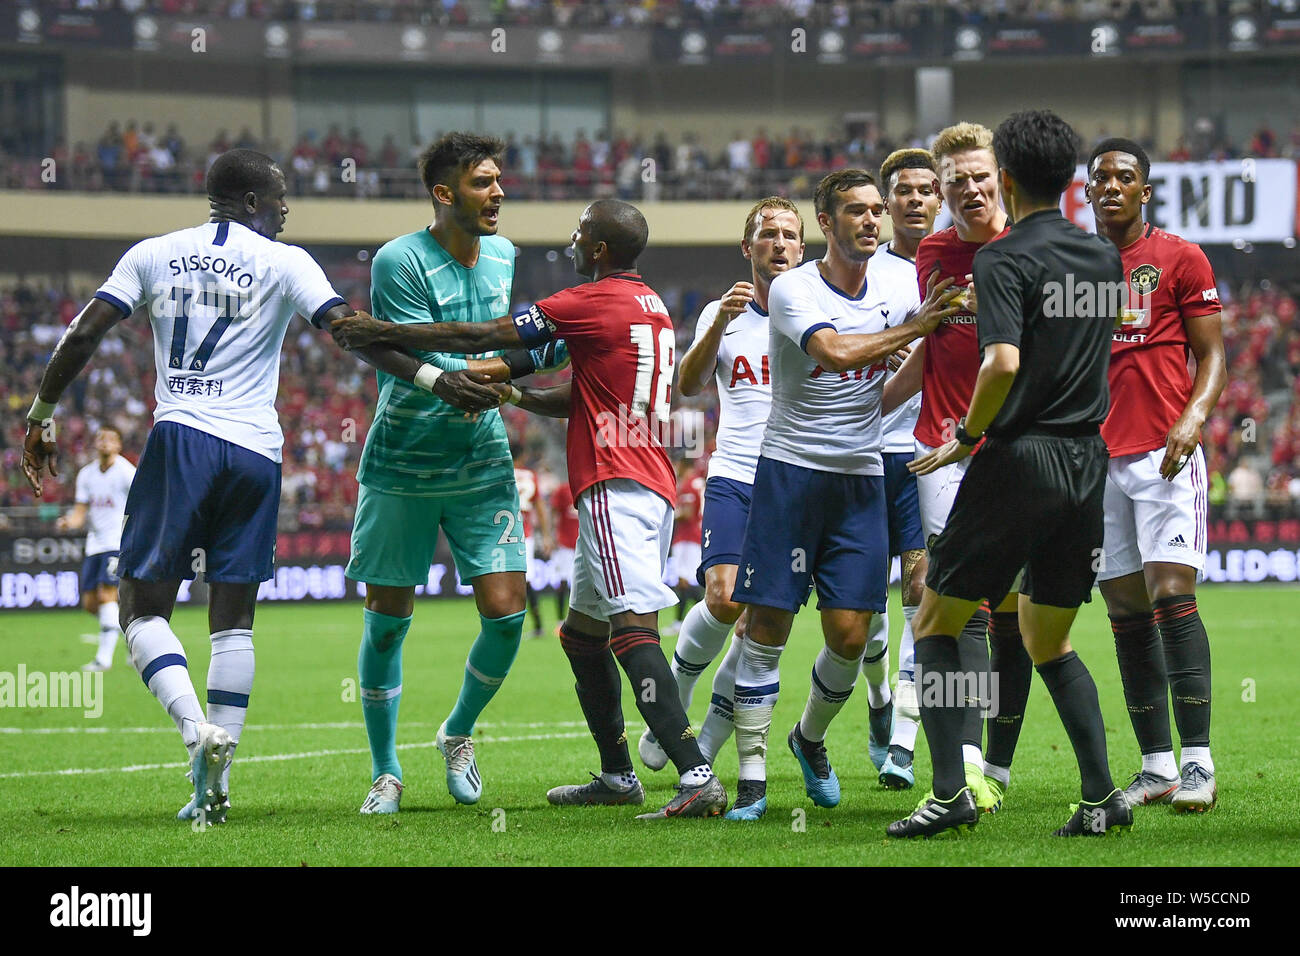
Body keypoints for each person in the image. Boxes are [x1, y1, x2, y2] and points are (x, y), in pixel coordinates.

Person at [20, 148, 436, 825]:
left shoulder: (153, 253)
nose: (284, 212)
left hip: (182, 437)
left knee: (143, 608)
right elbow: (349, 334)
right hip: (256, 453)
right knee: (233, 620)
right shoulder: (287, 261)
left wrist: (41, 414)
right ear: (249, 203)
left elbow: (86, 330)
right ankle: (215, 782)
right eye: (278, 201)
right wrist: (432, 377)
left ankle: (195, 734)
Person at [332, 199, 729, 820]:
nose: (571, 241)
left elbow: (482, 335)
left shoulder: (589, 300)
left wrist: (386, 331)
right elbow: (582, 393)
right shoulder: (646, 305)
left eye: (579, 233)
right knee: (581, 636)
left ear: (597, 248)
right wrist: (515, 392)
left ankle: (696, 772)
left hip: (613, 480)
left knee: (632, 630)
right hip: (646, 475)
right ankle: (618, 775)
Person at [888, 110, 1131, 839]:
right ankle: (1102, 798)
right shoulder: (1102, 258)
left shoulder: (1001, 259)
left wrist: (967, 437)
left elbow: (1002, 362)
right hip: (1088, 459)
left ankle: (948, 791)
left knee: (935, 619)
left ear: (1011, 180)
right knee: (1046, 638)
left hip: (1019, 455)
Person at [725, 169, 963, 821]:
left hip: (860, 476)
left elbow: (892, 382)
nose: (870, 220)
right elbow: (831, 353)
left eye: (875, 210)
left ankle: (807, 738)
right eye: (854, 211)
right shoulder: (793, 288)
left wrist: (929, 348)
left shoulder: (897, 281)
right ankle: (750, 779)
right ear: (824, 224)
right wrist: (917, 330)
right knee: (767, 625)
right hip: (790, 473)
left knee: (852, 637)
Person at [348, 132, 566, 815]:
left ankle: (458, 732)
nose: (498, 192)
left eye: (499, 180)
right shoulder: (398, 261)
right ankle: (386, 772)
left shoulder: (502, 254)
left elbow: (510, 347)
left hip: (480, 461)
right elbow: (402, 354)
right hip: (402, 461)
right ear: (444, 194)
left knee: (506, 615)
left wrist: (516, 367)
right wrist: (462, 380)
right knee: (388, 622)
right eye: (483, 182)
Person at [882, 121, 1030, 812]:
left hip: (1020, 449)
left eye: (979, 177)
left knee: (1020, 615)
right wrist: (877, 397)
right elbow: (937, 342)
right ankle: (965, 762)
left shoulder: (1030, 247)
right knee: (960, 603)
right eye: (955, 182)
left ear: (1001, 176)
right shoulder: (935, 253)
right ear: (942, 190)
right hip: (942, 447)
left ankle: (994, 765)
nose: (968, 190)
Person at [1085, 138, 1227, 813]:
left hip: (1166, 453)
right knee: (1125, 611)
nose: (1111, 185)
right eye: (1100, 177)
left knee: (1171, 594)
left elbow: (1214, 353)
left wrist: (1194, 417)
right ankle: (1157, 766)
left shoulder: (1180, 257)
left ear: (1146, 190)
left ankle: (1198, 763)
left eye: (1125, 177)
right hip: (1096, 462)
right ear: (1086, 192)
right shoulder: (1075, 267)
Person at [639, 196, 805, 774]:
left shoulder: (815, 308)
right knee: (724, 597)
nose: (778, 243)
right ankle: (679, 689)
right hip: (735, 473)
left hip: (797, 480)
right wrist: (717, 327)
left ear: (803, 249)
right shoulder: (721, 311)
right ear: (747, 247)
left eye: (789, 235)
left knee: (759, 624)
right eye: (767, 234)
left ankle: (703, 743)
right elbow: (686, 384)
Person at [862, 148, 943, 787]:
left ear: (939, 200)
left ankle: (907, 741)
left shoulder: (962, 265)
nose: (915, 199)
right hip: (865, 453)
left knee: (923, 592)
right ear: (887, 204)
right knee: (860, 609)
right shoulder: (865, 273)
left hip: (931, 455)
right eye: (904, 191)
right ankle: (878, 700)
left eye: (926, 189)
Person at [57, 426, 136, 671]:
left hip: (118, 543)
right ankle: (133, 635)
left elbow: (141, 505)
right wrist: (70, 522)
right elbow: (81, 511)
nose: (104, 442)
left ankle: (103, 659)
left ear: (119, 445)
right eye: (101, 438)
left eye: (110, 439)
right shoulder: (86, 474)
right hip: (95, 544)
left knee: (106, 595)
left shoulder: (126, 472)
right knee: (91, 604)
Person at [661, 457, 705, 639]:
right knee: (686, 580)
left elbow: (686, 514)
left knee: (683, 580)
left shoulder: (688, 485)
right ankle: (703, 620)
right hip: (696, 536)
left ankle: (691, 621)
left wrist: (669, 516)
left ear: (684, 464)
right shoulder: (698, 482)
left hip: (687, 537)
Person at [514, 457, 554, 640]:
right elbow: (540, 508)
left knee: (511, 581)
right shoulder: (530, 475)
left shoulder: (500, 470)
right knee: (526, 580)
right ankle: (537, 624)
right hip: (525, 533)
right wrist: (546, 535)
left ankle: (511, 624)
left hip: (499, 533)